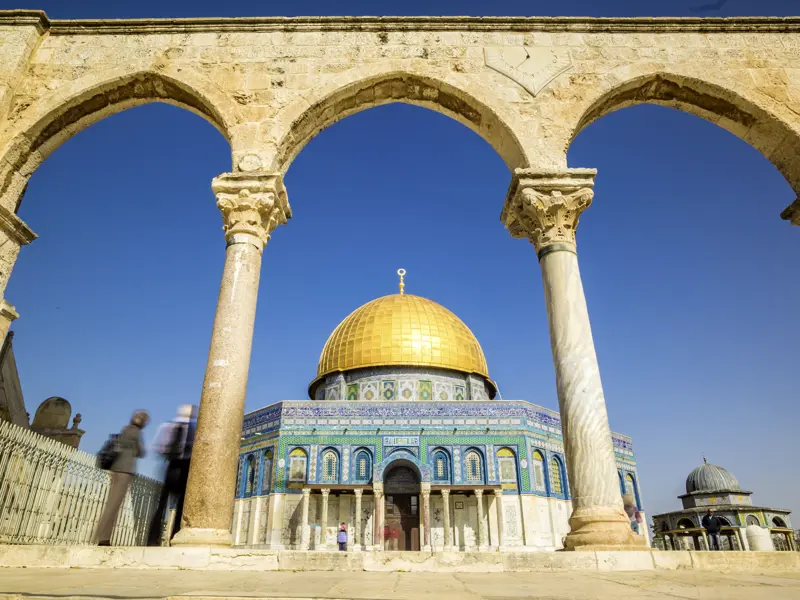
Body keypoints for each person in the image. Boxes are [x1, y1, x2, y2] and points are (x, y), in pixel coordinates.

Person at [94, 410, 149, 546]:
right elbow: (141, 452)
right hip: (124, 471)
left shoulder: (125, 429)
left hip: (117, 469)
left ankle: (102, 536)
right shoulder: (135, 432)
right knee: (113, 505)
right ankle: (102, 537)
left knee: (112, 504)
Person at [146, 404, 196, 546]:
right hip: (174, 465)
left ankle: (172, 537)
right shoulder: (172, 427)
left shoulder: (174, 427)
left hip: (182, 467)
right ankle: (156, 538)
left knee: (176, 505)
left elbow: (157, 446)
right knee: (165, 504)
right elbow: (158, 446)